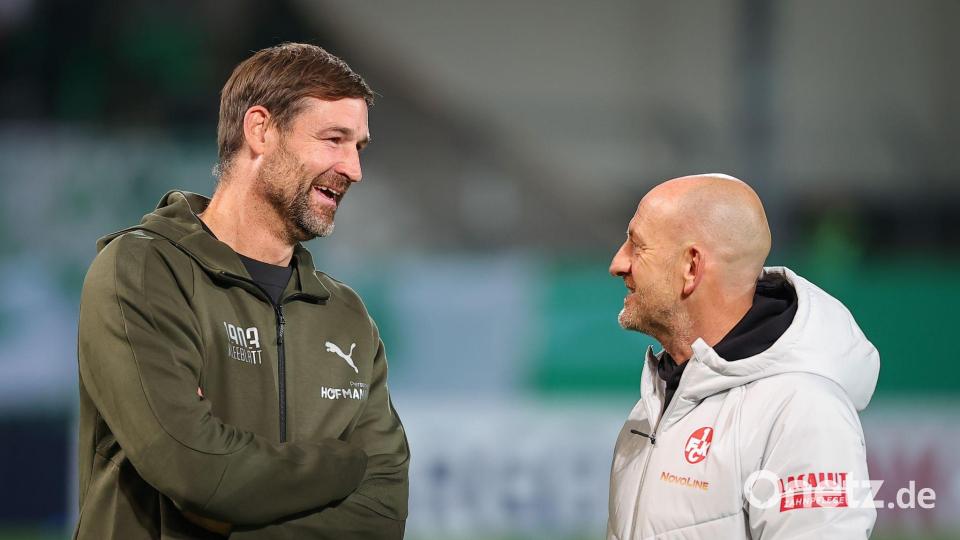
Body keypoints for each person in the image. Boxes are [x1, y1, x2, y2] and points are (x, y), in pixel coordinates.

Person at [75, 43, 409, 539]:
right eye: (334, 139)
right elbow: (195, 469)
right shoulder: (142, 271)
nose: (353, 169)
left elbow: (382, 512)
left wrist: (230, 514)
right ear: (260, 130)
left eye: (358, 147)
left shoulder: (348, 317)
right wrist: (342, 465)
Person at [606, 174, 878, 539]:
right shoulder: (653, 406)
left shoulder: (802, 411)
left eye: (637, 246)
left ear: (691, 267)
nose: (618, 263)